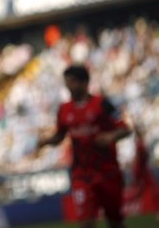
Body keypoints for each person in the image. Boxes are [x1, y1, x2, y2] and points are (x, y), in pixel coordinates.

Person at [37, 64, 131, 228]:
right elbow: (60, 136)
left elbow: (125, 129)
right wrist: (45, 141)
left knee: (115, 222)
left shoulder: (102, 104)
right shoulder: (64, 110)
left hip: (108, 172)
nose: (68, 86)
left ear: (84, 82)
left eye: (72, 82)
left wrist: (111, 136)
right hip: (82, 174)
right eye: (67, 82)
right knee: (86, 223)